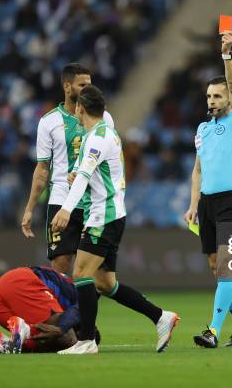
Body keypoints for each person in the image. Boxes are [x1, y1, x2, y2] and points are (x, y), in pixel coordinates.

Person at [51, 85, 179, 354]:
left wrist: (65, 209)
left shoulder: (97, 137)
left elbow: (86, 175)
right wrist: (77, 175)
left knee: (81, 274)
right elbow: (88, 173)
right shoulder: (101, 133)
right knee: (105, 283)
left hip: (103, 216)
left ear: (80, 108)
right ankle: (160, 317)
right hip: (110, 214)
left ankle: (86, 341)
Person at [183, 31, 232, 348]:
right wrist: (193, 203)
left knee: (226, 266)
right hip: (208, 204)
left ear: (228, 99)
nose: (212, 100)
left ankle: (212, 329)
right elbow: (198, 170)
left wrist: (227, 55)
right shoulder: (202, 129)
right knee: (218, 269)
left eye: (217, 96)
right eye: (209, 96)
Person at [21, 63, 114, 274]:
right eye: (82, 85)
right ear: (67, 86)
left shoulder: (105, 119)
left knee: (99, 274)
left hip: (94, 202)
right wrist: (29, 208)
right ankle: (66, 308)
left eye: (90, 85)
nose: (88, 89)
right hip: (61, 200)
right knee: (60, 264)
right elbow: (43, 169)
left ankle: (81, 307)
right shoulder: (48, 122)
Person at [0, 265, 99, 354]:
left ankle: (14, 342)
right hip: (22, 281)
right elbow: (79, 310)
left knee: (43, 336)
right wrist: (62, 329)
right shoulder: (82, 296)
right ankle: (27, 331)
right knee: (68, 340)